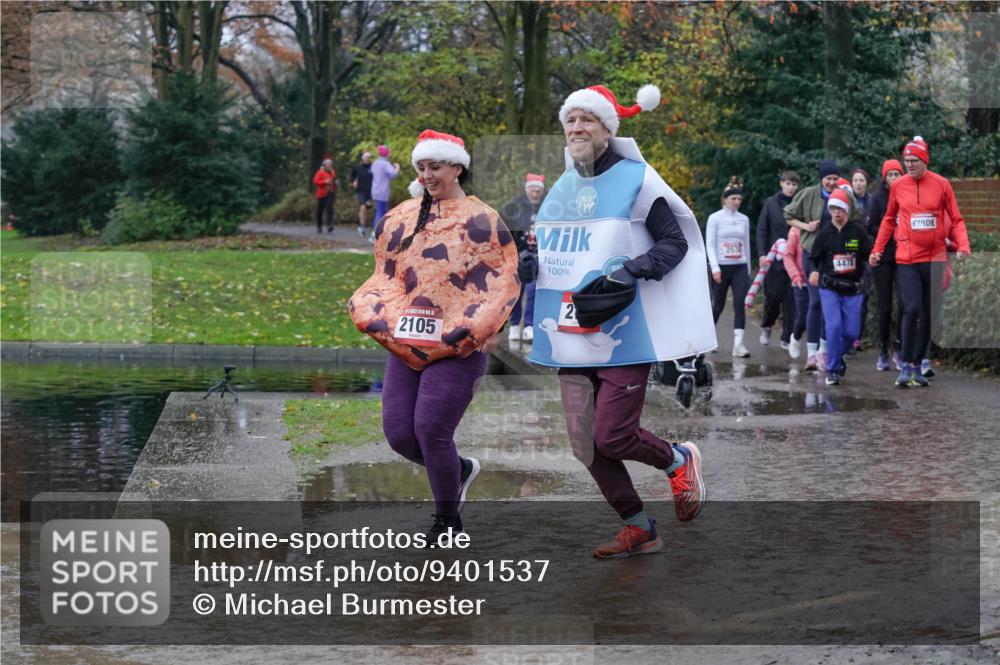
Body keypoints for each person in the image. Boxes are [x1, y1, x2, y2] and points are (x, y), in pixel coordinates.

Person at [523, 83, 714, 559]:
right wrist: (527, 266)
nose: (577, 128)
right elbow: (549, 255)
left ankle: (677, 459)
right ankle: (638, 526)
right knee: (585, 444)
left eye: (587, 119)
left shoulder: (638, 180)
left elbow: (675, 243)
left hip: (624, 329)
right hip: (570, 331)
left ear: (609, 128)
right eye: (570, 121)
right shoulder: (563, 188)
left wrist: (631, 270)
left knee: (611, 433)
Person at [361, 129, 518, 541]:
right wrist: (376, 310)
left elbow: (500, 275)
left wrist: (493, 326)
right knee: (399, 434)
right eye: (422, 168)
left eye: (436, 166)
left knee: (431, 430)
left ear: (457, 167)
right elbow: (387, 274)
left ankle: (446, 519)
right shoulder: (405, 216)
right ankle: (460, 470)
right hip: (409, 339)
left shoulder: (481, 218)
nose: (428, 175)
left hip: (460, 341)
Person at [870, 136, 971, 387]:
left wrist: (964, 246)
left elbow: (956, 220)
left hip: (935, 257)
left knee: (928, 313)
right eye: (906, 161)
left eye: (914, 161)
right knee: (911, 308)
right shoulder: (898, 186)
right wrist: (877, 249)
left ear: (925, 160)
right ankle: (904, 365)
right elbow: (888, 219)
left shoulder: (941, 184)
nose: (910, 165)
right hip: (907, 258)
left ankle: (917, 365)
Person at [784, 159, 863, 371]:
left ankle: (825, 350)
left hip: (837, 257)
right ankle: (811, 354)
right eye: (828, 179)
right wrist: (806, 226)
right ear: (821, 179)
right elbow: (789, 215)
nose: (831, 182)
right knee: (816, 302)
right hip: (812, 254)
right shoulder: (809, 194)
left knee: (832, 305)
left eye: (835, 179)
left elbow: (858, 218)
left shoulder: (845, 195)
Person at [807, 188, 871, 385]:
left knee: (852, 333)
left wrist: (875, 259)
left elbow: (869, 255)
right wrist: (814, 271)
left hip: (852, 289)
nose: (837, 212)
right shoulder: (824, 233)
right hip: (830, 289)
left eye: (841, 209)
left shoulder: (858, 231)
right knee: (833, 327)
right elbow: (813, 259)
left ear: (847, 210)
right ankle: (833, 369)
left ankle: (837, 356)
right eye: (833, 208)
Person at [865, 159, 905, 371]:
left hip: (904, 255)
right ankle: (882, 351)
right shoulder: (877, 199)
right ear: (884, 178)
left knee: (904, 303)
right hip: (883, 257)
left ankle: (898, 349)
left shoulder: (907, 194)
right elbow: (869, 228)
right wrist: (885, 234)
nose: (893, 178)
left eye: (897, 174)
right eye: (890, 175)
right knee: (885, 305)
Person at [706, 177, 753, 357]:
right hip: (722, 267)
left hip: (739, 266)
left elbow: (746, 244)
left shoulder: (744, 219)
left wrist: (747, 269)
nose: (737, 202)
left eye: (739, 199)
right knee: (718, 305)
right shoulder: (715, 218)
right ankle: (708, 339)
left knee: (740, 304)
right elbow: (709, 244)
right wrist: (715, 268)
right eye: (733, 198)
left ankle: (739, 345)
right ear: (725, 199)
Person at [756, 170, 800, 353]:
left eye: (794, 184)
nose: (791, 187)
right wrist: (762, 254)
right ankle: (767, 326)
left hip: (794, 259)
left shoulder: (799, 204)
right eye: (788, 184)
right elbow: (762, 230)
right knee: (773, 296)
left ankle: (787, 336)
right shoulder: (770, 203)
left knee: (791, 300)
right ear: (781, 184)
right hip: (774, 259)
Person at [501, 173, 545, 342]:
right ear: (527, 190)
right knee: (516, 290)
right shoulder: (515, 207)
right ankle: (513, 325)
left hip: (539, 256)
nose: (535, 194)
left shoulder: (548, 205)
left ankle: (529, 326)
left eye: (538, 191)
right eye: (532, 190)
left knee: (533, 290)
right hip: (519, 254)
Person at [371, 145, 401, 243]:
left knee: (384, 212)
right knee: (380, 212)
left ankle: (384, 234)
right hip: (382, 192)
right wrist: (397, 167)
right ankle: (374, 235)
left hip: (375, 191)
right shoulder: (385, 164)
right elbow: (393, 174)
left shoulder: (375, 163)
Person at [351, 151, 374, 238]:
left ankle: (365, 225)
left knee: (368, 208)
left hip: (371, 192)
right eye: (366, 157)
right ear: (362, 158)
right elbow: (352, 176)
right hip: (360, 191)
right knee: (363, 207)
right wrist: (354, 181)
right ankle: (362, 226)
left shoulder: (373, 167)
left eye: (369, 157)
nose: (368, 158)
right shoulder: (358, 167)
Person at [312, 158, 336, 233]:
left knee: (330, 208)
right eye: (328, 165)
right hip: (321, 194)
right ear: (324, 165)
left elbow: (333, 179)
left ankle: (330, 225)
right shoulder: (320, 172)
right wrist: (324, 182)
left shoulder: (332, 172)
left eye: (330, 165)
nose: (329, 166)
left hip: (330, 193)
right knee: (320, 210)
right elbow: (315, 181)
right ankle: (319, 226)